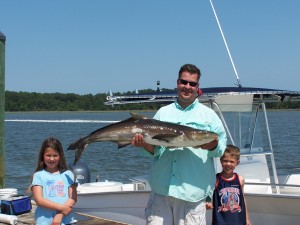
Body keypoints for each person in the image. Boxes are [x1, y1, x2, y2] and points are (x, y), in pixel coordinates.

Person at [131, 64, 227, 225]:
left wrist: (211, 146)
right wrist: (143, 144)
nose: (187, 87)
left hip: (192, 195)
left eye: (192, 83)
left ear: (197, 87)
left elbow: (222, 147)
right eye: (184, 82)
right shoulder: (163, 112)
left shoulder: (209, 116)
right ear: (177, 82)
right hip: (161, 191)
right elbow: (155, 150)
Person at [31, 137, 78, 225]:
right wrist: (62, 208)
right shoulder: (38, 175)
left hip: (66, 220)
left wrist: (60, 214)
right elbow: (39, 200)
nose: (52, 159)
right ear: (42, 156)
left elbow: (73, 198)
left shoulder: (68, 174)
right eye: (48, 155)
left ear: (60, 156)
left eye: (55, 155)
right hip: (45, 221)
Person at [208, 145, 251, 225]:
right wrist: (208, 202)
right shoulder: (215, 179)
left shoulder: (240, 179)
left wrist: (247, 219)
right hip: (220, 221)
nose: (228, 164)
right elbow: (208, 195)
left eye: (231, 161)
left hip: (238, 221)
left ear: (237, 163)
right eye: (225, 161)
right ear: (220, 161)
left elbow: (242, 200)